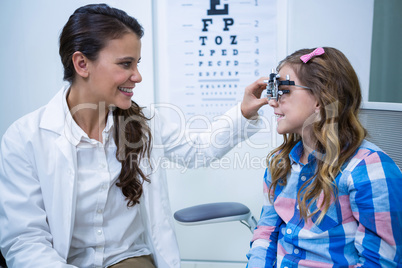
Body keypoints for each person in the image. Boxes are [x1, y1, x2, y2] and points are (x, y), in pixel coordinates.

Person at [0, 4, 269, 268]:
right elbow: (25, 241)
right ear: (82, 63)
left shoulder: (144, 124)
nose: (137, 76)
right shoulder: (24, 139)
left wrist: (243, 112)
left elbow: (199, 150)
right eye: (126, 64)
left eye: (137, 63)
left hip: (127, 260)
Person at [247, 47, 402, 267]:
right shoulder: (281, 165)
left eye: (284, 91)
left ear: (320, 99)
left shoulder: (370, 169)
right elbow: (266, 233)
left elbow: (380, 262)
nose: (272, 102)